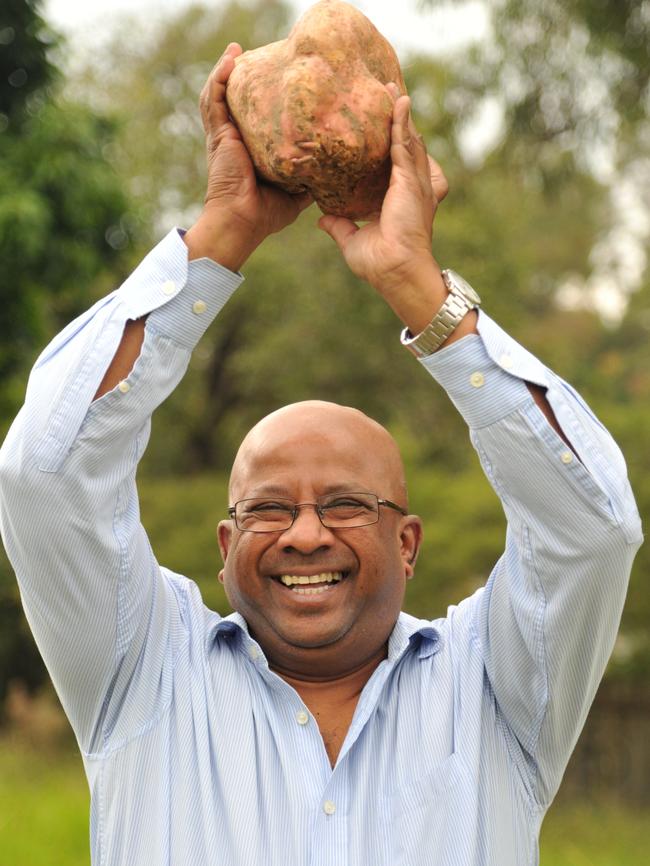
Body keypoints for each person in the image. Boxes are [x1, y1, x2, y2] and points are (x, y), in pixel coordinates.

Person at [0, 42, 642, 866]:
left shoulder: (495, 692)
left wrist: (419, 286)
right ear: (227, 546)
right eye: (269, 508)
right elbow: (44, 472)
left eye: (345, 505)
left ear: (406, 543)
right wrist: (223, 231)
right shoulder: (141, 674)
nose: (306, 535)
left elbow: (592, 526)